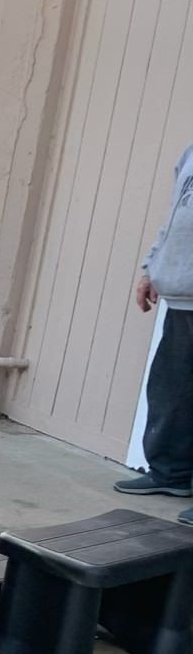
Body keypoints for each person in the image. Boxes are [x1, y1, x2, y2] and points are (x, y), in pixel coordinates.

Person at [115, 141, 193, 521]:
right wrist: (151, 269)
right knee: (171, 392)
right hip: (181, 295)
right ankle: (173, 473)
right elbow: (175, 218)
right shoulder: (190, 152)